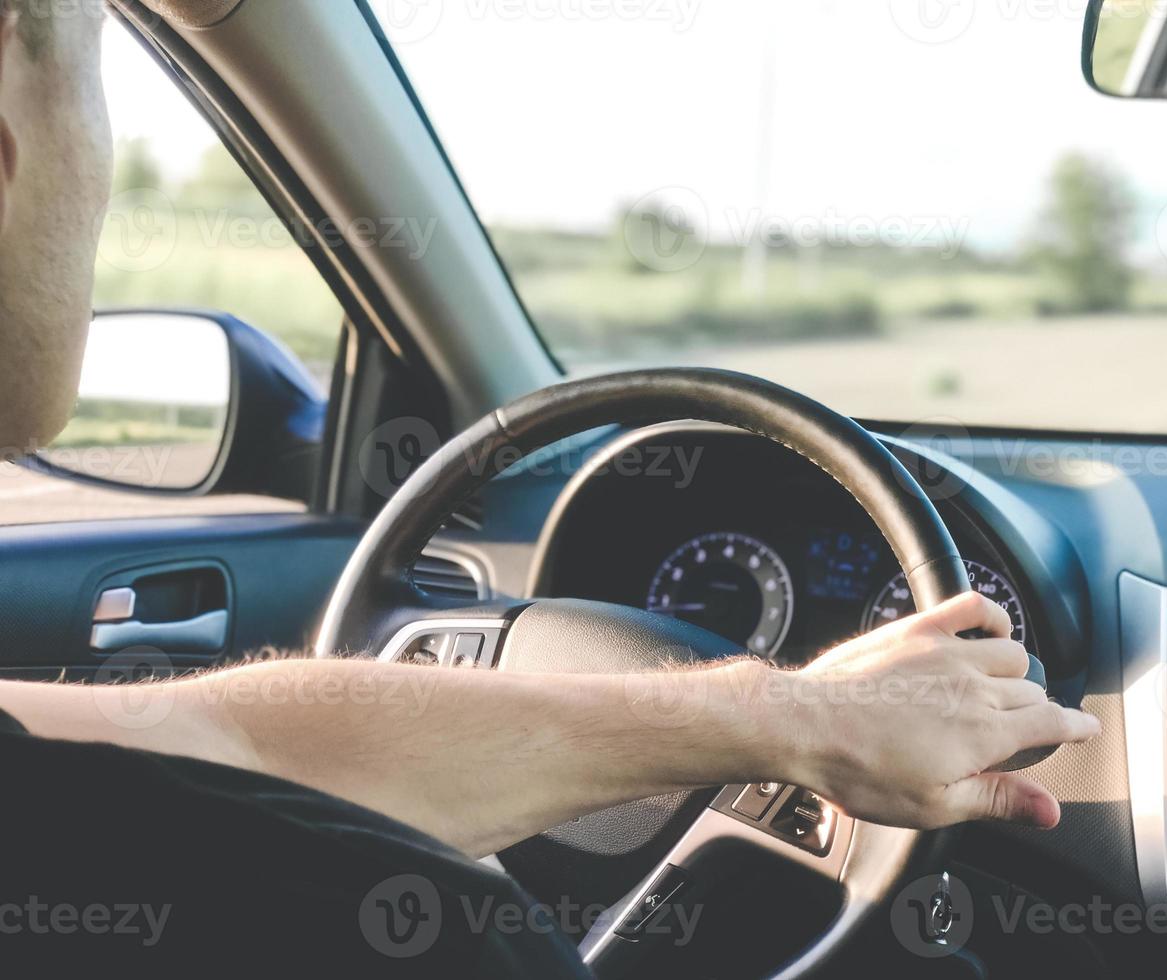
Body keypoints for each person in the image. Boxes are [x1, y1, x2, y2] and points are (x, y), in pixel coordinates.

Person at [0, 0, 1101, 971]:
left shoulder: (77, 812)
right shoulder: (382, 919)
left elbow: (230, 741)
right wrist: (796, 710)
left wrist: (790, 709)